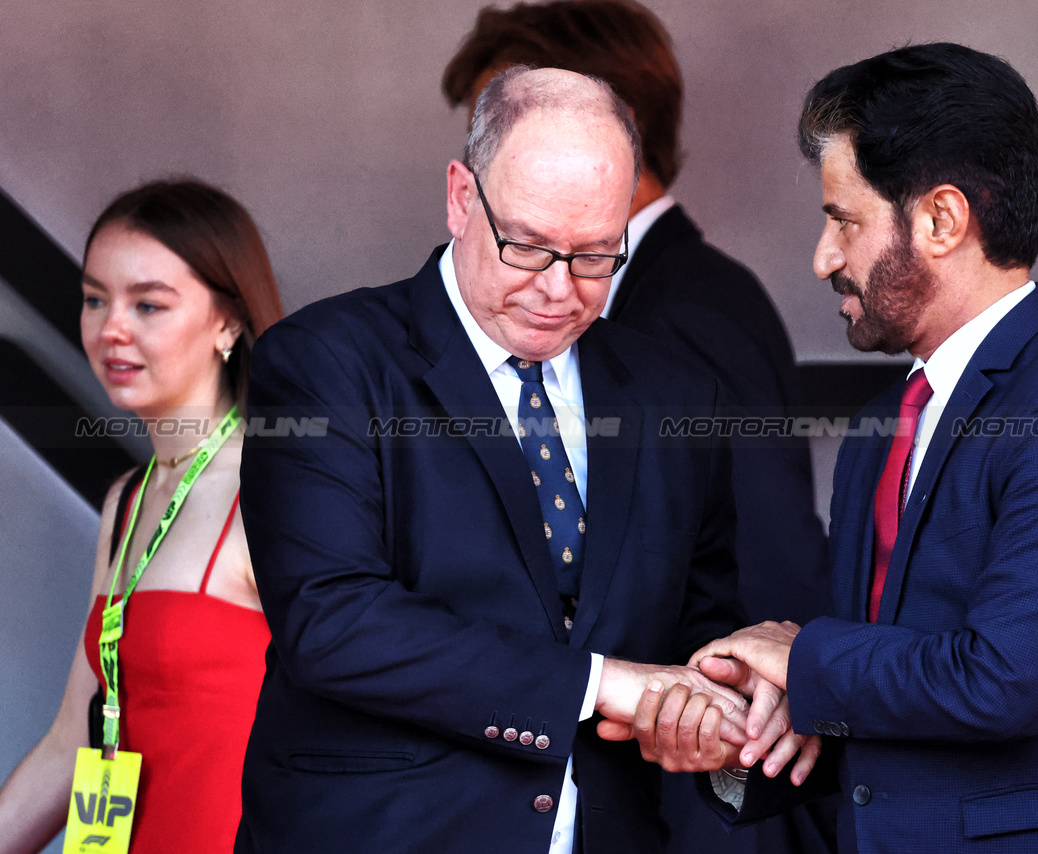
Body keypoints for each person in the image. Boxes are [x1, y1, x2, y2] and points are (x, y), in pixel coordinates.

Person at [233, 67, 809, 854]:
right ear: (461, 198)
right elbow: (332, 621)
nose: (558, 289)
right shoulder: (326, 361)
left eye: (597, 256)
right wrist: (604, 684)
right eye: (529, 246)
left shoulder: (673, 392)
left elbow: (694, 630)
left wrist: (718, 711)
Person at [642, 43, 1038, 853]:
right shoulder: (884, 426)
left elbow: (997, 681)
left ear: (942, 218)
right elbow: (878, 698)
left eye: (844, 220)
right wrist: (735, 746)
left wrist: (800, 657)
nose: (824, 257)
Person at [442, 0, 830, 629]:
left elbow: (763, 570)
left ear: (603, 122)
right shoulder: (670, 295)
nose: (488, 160)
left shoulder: (685, 315)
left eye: (506, 124)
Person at [0, 178, 285, 853]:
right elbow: (73, 743)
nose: (111, 328)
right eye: (95, 299)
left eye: (148, 305)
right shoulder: (128, 499)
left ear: (228, 322)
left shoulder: (279, 488)